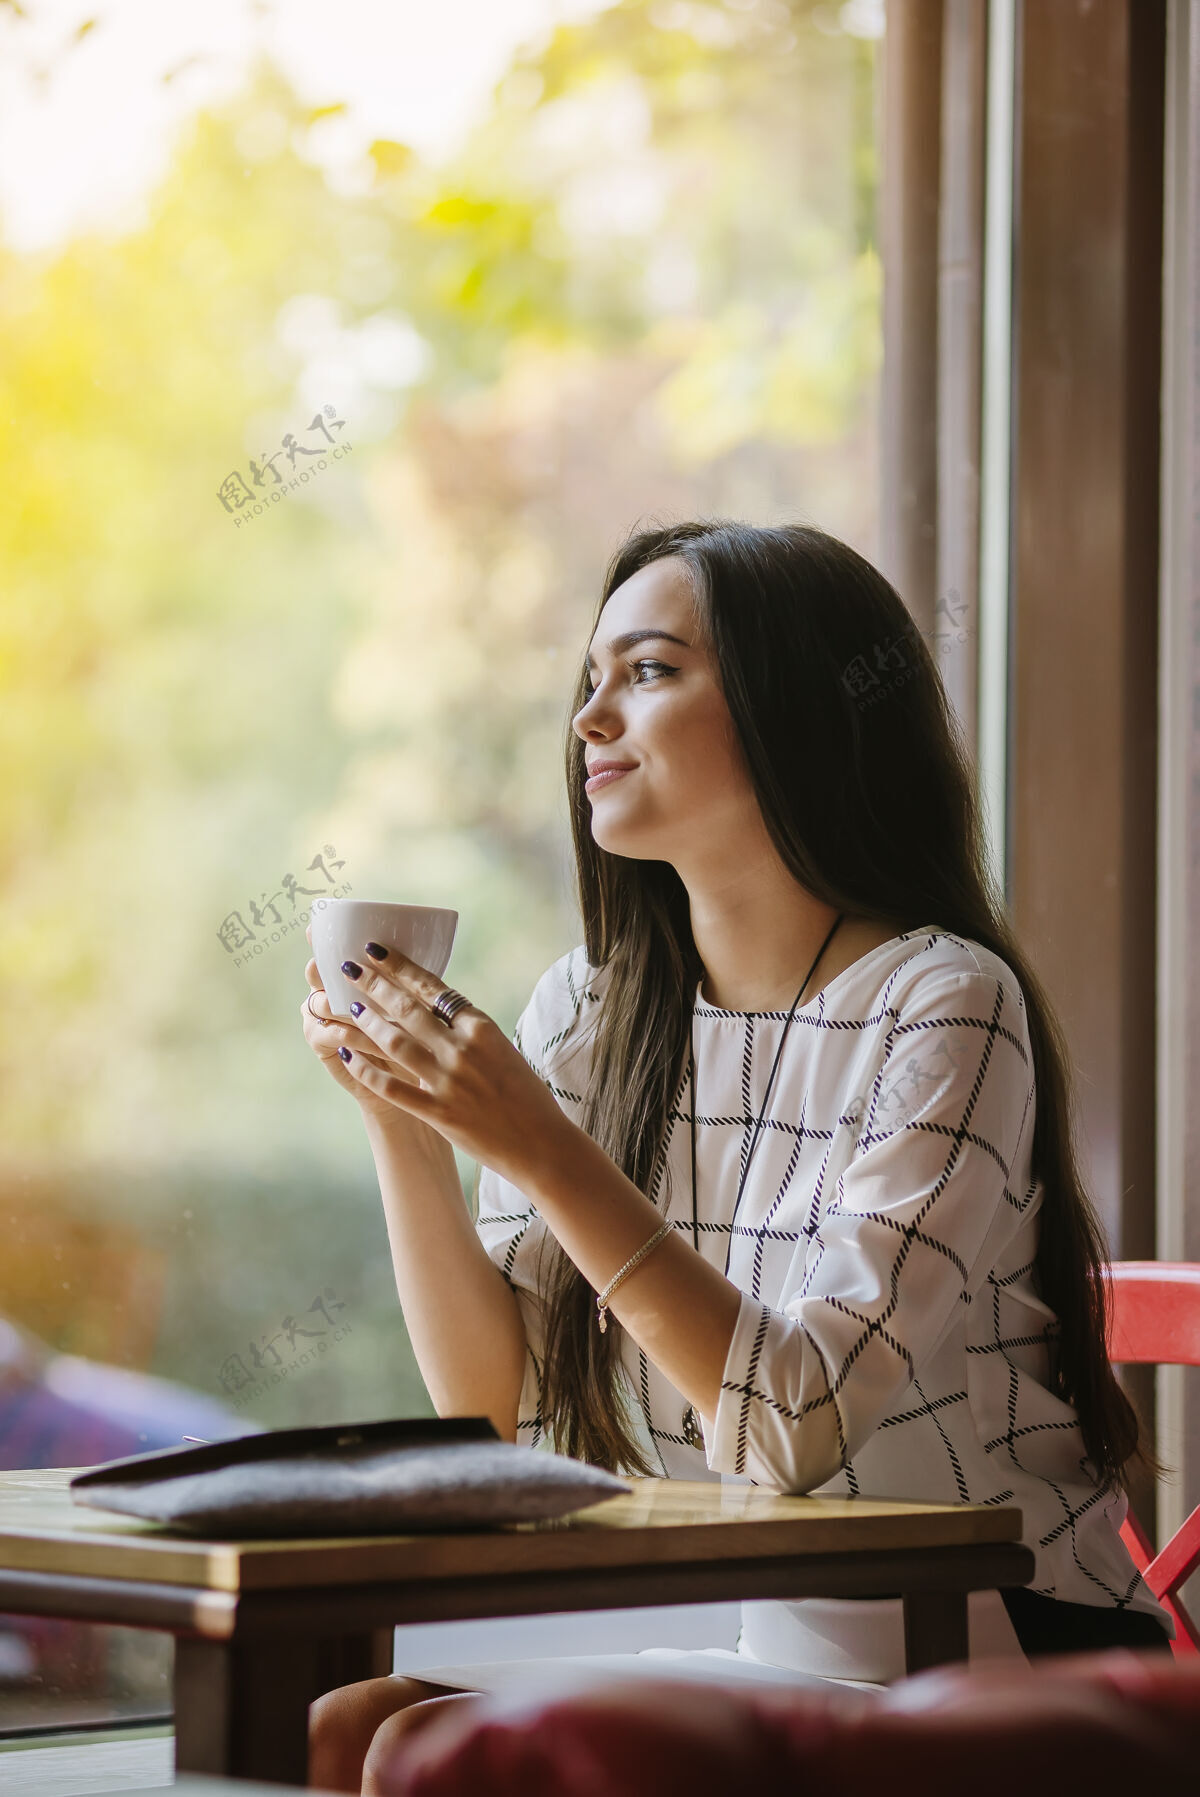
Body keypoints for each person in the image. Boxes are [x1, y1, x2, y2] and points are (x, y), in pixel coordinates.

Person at [301, 520, 1172, 1793]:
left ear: (798, 711)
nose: (591, 721)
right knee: (339, 1725)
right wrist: (408, 1121)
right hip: (746, 1625)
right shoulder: (592, 1009)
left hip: (985, 1642)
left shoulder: (941, 1004)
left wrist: (538, 1144)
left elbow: (796, 1423)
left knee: (421, 1751)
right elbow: (491, 1411)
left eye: (648, 672)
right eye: (587, 682)